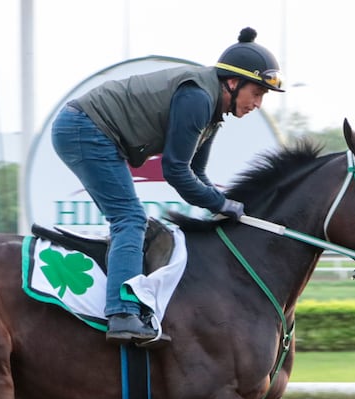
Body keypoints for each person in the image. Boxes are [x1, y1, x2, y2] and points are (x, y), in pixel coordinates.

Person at [51, 27, 284, 347]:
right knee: (130, 218)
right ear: (233, 83)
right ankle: (121, 313)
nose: (258, 103)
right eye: (257, 93)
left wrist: (222, 204)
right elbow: (175, 172)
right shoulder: (197, 99)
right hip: (83, 127)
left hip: (90, 128)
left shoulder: (213, 111)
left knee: (130, 218)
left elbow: (196, 172)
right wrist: (220, 204)